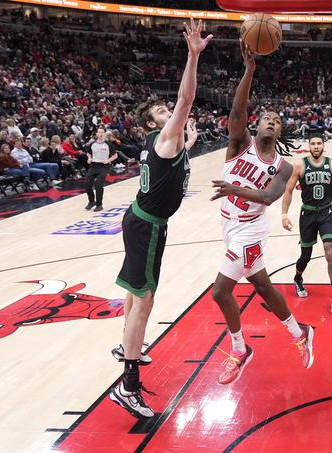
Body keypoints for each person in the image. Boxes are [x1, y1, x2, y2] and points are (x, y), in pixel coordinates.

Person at [109, 19, 213, 419]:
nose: (169, 111)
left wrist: (190, 141)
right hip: (147, 225)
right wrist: (192, 56)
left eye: (166, 107)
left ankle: (125, 344)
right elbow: (186, 102)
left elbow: (182, 136)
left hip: (141, 219)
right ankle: (128, 383)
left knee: (135, 292)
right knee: (145, 299)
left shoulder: (166, 141)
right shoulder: (165, 136)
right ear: (152, 125)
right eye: (161, 111)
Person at [209, 40, 314, 386]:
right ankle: (301, 332)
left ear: (280, 131)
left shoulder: (284, 167)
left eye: (277, 120)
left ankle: (239, 349)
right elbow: (237, 113)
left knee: (220, 292)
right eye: (266, 118)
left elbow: (269, 198)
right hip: (229, 224)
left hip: (252, 229)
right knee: (264, 287)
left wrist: (234, 189)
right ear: (256, 126)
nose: (271, 121)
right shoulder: (239, 143)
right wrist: (249, 71)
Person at [281, 133, 332, 315]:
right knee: (305, 256)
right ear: (309, 146)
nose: (316, 146)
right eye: (313, 144)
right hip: (307, 213)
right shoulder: (299, 165)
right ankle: (298, 278)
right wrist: (284, 214)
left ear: (324, 146)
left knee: (330, 252)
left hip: (326, 212)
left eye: (319, 143)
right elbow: (289, 190)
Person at [84, 128, 117, 211]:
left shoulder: (108, 144)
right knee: (87, 184)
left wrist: (108, 160)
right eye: (99, 132)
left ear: (105, 134)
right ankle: (91, 201)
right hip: (93, 165)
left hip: (103, 166)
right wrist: (89, 158)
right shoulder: (92, 144)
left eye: (102, 132)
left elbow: (115, 155)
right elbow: (88, 153)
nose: (101, 134)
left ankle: (99, 205)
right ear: (97, 134)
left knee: (98, 184)